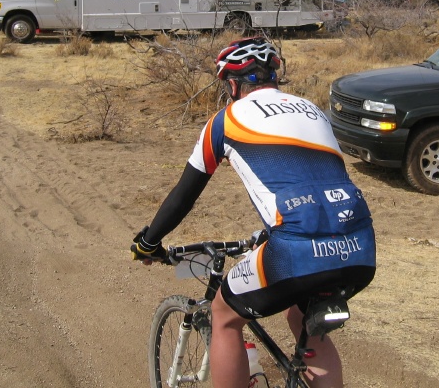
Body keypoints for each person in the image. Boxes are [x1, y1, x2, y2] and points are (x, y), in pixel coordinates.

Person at [131, 37, 376, 388]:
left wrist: (148, 241)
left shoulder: (226, 120)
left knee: (224, 314)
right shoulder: (313, 109)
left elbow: (183, 197)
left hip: (296, 248)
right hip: (360, 247)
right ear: (274, 76)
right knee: (304, 318)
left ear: (232, 84)